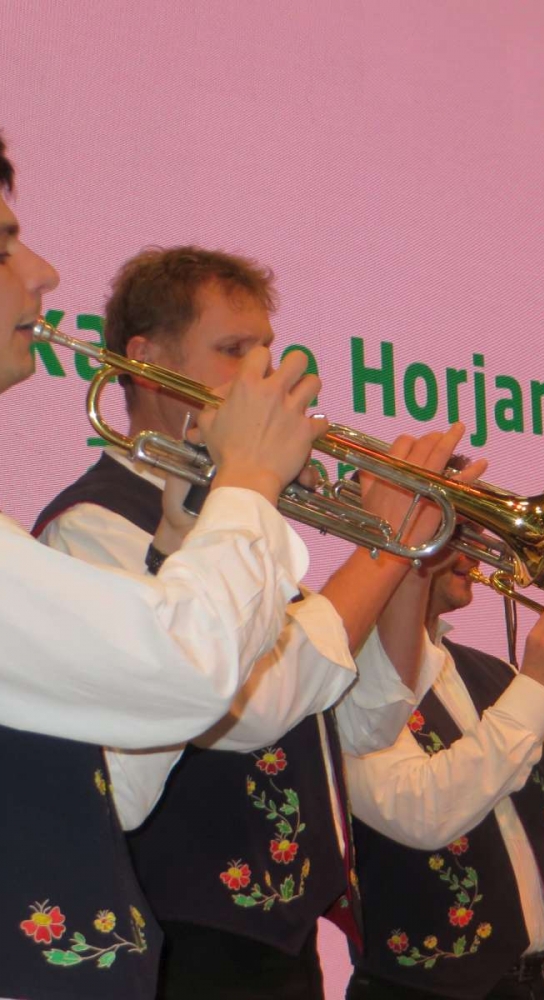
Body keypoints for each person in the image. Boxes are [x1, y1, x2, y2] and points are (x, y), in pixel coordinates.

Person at [35, 246, 485, 999]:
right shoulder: (94, 524)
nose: (263, 378)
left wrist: (407, 558)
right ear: (147, 362)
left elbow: (362, 723)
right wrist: (383, 545)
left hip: (281, 939)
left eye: (267, 354)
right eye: (233, 350)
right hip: (178, 944)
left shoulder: (244, 535)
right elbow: (247, 713)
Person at [0, 134, 330, 1000]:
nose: (43, 273)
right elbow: (196, 674)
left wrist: (191, 540)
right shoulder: (87, 516)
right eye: (2, 247)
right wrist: (252, 485)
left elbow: (116, 779)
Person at [344, 518, 544, 1000]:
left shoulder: (491, 673)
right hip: (416, 989)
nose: (476, 552)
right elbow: (423, 811)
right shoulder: (346, 675)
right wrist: (537, 684)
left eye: (477, 535)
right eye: (456, 534)